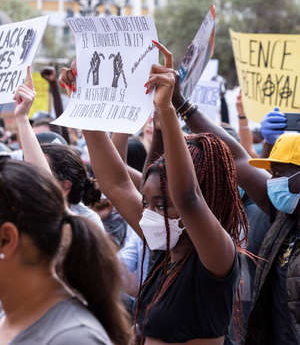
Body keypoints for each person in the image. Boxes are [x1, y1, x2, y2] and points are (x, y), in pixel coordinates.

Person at [60, 43, 248, 345]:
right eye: (147, 202)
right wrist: (84, 101)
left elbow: (188, 197)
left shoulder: (217, 258)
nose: (148, 213)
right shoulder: (163, 248)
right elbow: (116, 184)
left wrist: (166, 110)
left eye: (162, 205)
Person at [0, 70, 131, 344]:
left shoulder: (71, 338)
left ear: (8, 239)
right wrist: (22, 117)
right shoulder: (12, 319)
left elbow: (44, 194)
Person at [170, 81, 300, 344]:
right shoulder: (283, 214)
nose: (271, 181)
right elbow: (236, 157)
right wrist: (180, 103)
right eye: (270, 173)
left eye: (279, 173)